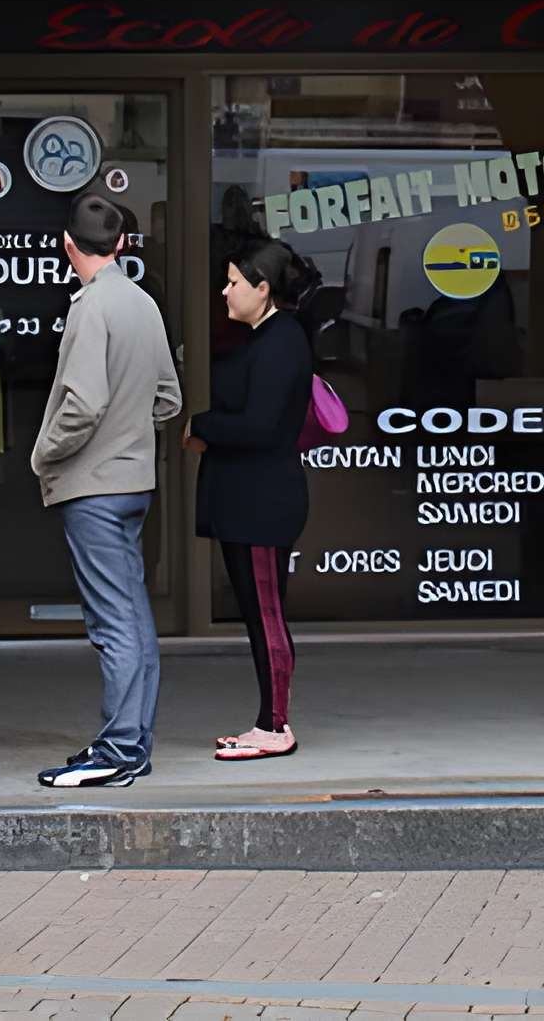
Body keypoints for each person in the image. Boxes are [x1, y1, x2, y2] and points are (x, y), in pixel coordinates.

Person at [30, 192, 181, 789]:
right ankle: (132, 744)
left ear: (68, 244)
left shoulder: (92, 308)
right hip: (134, 481)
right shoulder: (143, 302)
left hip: (93, 488)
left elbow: (82, 405)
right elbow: (168, 399)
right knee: (135, 620)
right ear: (121, 245)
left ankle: (118, 751)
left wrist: (43, 453)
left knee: (113, 624)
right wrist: (130, 431)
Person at [187, 229, 316, 759]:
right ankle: (268, 720)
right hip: (248, 502)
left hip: (264, 504)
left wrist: (202, 424)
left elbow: (262, 427)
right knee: (259, 614)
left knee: (267, 617)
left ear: (262, 288)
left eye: (234, 282)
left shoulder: (282, 342)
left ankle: (275, 726)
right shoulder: (265, 339)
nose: (225, 291)